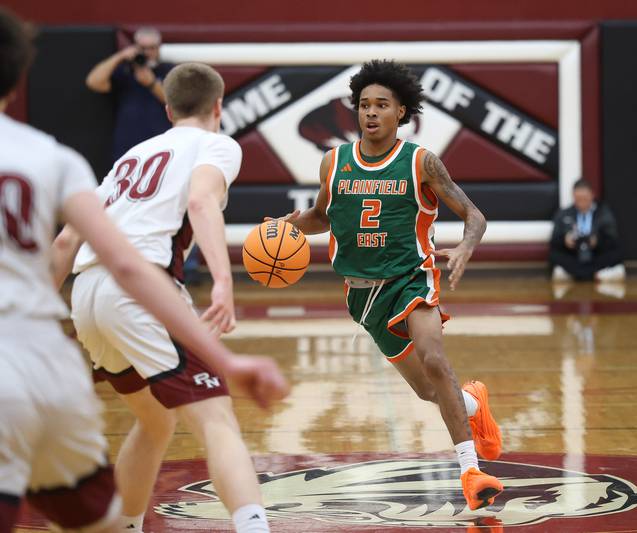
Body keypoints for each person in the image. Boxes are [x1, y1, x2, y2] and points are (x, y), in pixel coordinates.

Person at [0, 10, 287, 533]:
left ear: (169, 108)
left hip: (86, 295)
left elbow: (66, 240)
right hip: (140, 289)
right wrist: (223, 282)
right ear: (218, 106)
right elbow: (202, 203)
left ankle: (126, 526)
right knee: (217, 417)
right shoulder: (217, 144)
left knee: (156, 420)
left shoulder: (131, 156)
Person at [281, 59, 504, 511]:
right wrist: (289, 226)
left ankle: (470, 471)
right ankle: (473, 403)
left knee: (434, 359)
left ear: (401, 112)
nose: (371, 112)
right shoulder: (334, 161)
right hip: (362, 295)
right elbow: (323, 217)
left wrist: (464, 247)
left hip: (411, 278)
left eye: (382, 104)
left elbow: (474, 216)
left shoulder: (421, 161)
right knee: (428, 390)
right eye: (364, 104)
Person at [86, 27, 173, 161]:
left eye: (152, 48)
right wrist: (120, 56)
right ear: (135, 47)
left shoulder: (168, 70)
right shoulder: (125, 71)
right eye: (143, 48)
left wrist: (152, 84)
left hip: (161, 146)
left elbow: (176, 102)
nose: (148, 53)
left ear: (159, 48)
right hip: (128, 146)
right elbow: (94, 82)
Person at [549, 179, 625, 282]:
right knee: (554, 255)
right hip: (574, 256)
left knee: (617, 253)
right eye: (578, 199)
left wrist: (597, 241)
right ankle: (595, 275)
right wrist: (565, 240)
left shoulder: (603, 213)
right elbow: (554, 241)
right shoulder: (563, 214)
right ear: (573, 197)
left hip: (596, 256)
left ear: (591, 195)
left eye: (584, 198)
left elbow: (613, 239)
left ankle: (577, 275)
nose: (581, 203)